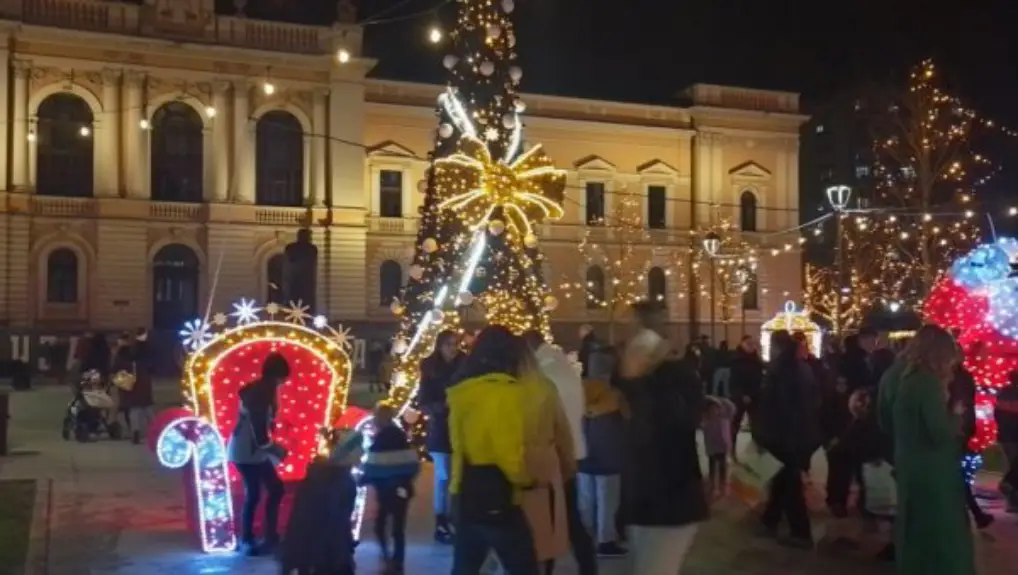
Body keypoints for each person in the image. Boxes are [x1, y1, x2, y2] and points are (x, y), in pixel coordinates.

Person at [615, 302, 708, 574]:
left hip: (670, 504)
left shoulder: (674, 379)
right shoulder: (631, 384)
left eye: (630, 330)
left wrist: (637, 384)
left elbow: (671, 426)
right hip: (644, 502)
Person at [447, 326, 540, 575]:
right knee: (524, 566)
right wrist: (524, 479)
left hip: (467, 491)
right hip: (499, 493)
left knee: (464, 567)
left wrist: (455, 489)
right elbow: (507, 450)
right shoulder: (507, 393)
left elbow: (457, 446)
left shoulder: (461, 392)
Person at [891, 325, 975, 575]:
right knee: (938, 532)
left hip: (912, 466)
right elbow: (939, 432)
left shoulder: (907, 379)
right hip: (933, 472)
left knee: (915, 529)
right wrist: (956, 415)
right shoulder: (926, 384)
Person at [521, 330, 597, 575]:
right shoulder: (561, 364)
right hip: (570, 450)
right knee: (563, 517)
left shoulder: (545, 372)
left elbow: (548, 418)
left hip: (557, 454)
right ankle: (585, 566)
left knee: (556, 518)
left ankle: (579, 567)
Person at [751, 329, 822, 549]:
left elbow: (773, 406)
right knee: (782, 479)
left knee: (789, 483)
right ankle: (770, 519)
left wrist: (762, 434)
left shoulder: (779, 370)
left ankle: (800, 532)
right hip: (801, 433)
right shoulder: (802, 367)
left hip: (785, 435)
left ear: (776, 346)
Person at [518, 338, 576, 575]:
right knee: (546, 532)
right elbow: (562, 430)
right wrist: (567, 464)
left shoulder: (502, 391)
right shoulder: (544, 388)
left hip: (514, 464)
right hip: (545, 466)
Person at [228, 352, 290, 556]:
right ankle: (260, 537)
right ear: (276, 376)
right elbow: (259, 432)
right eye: (282, 379)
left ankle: (257, 536)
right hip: (249, 452)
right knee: (268, 490)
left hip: (248, 451)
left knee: (261, 491)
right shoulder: (261, 394)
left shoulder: (260, 390)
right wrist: (275, 448)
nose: (282, 383)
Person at [279, 429, 361, 575]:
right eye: (359, 448)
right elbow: (333, 521)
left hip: (320, 554)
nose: (362, 452)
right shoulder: (338, 481)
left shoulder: (321, 475)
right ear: (346, 452)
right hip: (326, 556)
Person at [577, 347, 627, 558]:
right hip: (610, 455)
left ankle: (584, 538)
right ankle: (606, 541)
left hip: (584, 453)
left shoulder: (579, 391)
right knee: (608, 501)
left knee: (586, 500)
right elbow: (628, 419)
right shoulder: (615, 396)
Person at [362, 402, 421, 574]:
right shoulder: (400, 435)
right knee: (398, 527)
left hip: (387, 489)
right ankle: (397, 560)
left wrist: (364, 478)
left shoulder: (381, 438)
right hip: (402, 488)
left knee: (381, 525)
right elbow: (409, 462)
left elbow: (373, 462)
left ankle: (388, 557)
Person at [417, 330, 464, 543]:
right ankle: (441, 521)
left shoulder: (465, 364)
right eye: (448, 344)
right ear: (440, 346)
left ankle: (457, 517)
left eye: (455, 344)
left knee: (459, 476)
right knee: (443, 477)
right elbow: (424, 401)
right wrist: (441, 407)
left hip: (462, 428)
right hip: (441, 429)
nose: (453, 348)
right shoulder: (430, 367)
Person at [948, 352, 994, 528]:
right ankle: (975, 513)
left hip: (958, 429)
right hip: (958, 429)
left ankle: (973, 513)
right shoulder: (961, 377)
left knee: (957, 474)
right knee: (957, 475)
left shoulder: (954, 377)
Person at [729, 335, 764, 459]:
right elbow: (735, 379)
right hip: (741, 396)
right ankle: (732, 450)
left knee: (756, 424)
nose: (752, 345)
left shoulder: (756, 358)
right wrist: (742, 394)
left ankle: (758, 450)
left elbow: (760, 376)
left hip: (755, 395)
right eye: (749, 343)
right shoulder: (737, 358)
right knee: (735, 423)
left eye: (753, 343)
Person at [122, 328, 155, 445]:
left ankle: (135, 430)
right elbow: (153, 365)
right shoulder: (149, 348)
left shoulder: (132, 348)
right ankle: (155, 430)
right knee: (147, 407)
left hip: (134, 380)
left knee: (134, 408)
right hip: (145, 380)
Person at [702, 395, 735, 499]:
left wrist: (721, 400)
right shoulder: (706, 420)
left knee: (722, 467)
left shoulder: (724, 417)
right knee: (712, 466)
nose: (714, 411)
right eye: (711, 409)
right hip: (712, 448)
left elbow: (732, 408)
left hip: (722, 447)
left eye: (716, 408)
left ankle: (722, 485)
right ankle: (713, 485)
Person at [995, 370, 1018, 513]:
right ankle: (1010, 491)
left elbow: (998, 415)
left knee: (1014, 466)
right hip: (1012, 436)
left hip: (1005, 436)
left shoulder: (1004, 393)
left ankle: (1012, 500)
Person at [110, 332, 135, 435]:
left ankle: (114, 422)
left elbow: (115, 365)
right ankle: (130, 427)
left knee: (119, 403)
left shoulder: (120, 352)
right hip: (127, 378)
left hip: (121, 378)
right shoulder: (130, 351)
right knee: (126, 405)